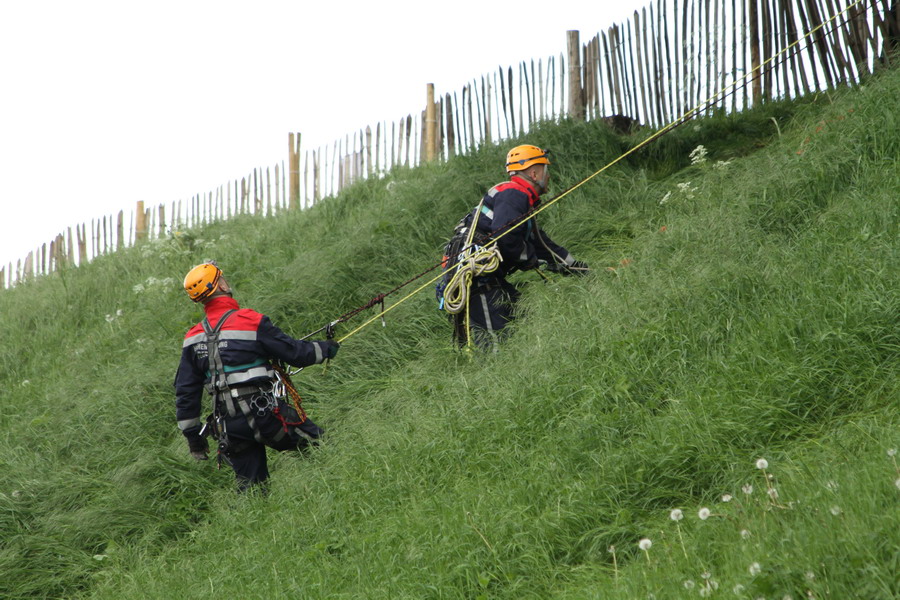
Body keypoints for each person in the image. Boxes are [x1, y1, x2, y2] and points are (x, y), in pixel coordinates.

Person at [174, 262, 339, 492]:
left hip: (228, 425)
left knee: (251, 490)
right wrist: (326, 349)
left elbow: (185, 391)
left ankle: (251, 522)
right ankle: (341, 485)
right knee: (323, 445)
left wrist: (194, 438)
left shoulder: (193, 337)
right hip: (265, 414)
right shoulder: (250, 321)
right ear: (220, 284)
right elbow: (296, 353)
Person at [438, 144, 588, 349]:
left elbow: (542, 245)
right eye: (546, 169)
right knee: (497, 343)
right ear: (534, 173)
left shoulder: (519, 200)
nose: (549, 175)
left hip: (485, 278)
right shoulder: (514, 194)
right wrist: (530, 260)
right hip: (478, 279)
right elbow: (505, 237)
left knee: (522, 315)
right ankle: (493, 376)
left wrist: (579, 269)